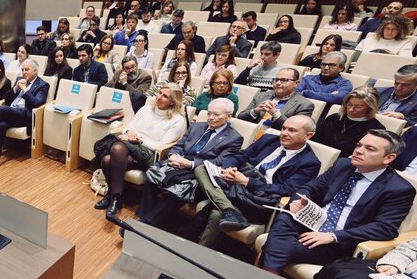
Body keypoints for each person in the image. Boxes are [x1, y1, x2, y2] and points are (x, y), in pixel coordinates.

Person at [258, 129, 415, 274]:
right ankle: (267, 278)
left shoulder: (398, 189)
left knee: (274, 245)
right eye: (359, 145)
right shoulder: (343, 165)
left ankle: (265, 276)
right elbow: (308, 188)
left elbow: (384, 228)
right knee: (285, 217)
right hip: (312, 221)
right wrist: (299, 201)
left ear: (389, 158)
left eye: (370, 149)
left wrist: (333, 236)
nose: (359, 151)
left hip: (339, 241)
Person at [192, 115, 320, 247]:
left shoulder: (310, 163)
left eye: (291, 130)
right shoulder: (268, 139)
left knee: (216, 214)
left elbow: (285, 189)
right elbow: (240, 156)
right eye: (283, 128)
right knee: (201, 168)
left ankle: (198, 252)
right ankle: (229, 209)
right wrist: (228, 168)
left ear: (308, 135)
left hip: (259, 199)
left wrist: (247, 182)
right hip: (235, 184)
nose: (284, 133)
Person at [135, 99, 243, 227]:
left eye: (216, 114)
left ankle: (144, 225)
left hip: (200, 173)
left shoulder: (234, 138)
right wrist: (173, 155)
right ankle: (143, 216)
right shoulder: (197, 126)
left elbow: (219, 162)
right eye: (209, 113)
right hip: (178, 163)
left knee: (177, 193)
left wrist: (190, 164)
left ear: (228, 116)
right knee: (153, 175)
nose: (211, 118)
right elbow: (179, 145)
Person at [94, 84, 187, 216]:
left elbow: (161, 146)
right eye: (159, 93)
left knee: (114, 152)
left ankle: (112, 196)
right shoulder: (146, 109)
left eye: (164, 96)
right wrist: (131, 133)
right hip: (130, 146)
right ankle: (115, 197)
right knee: (108, 158)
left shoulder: (178, 120)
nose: (159, 97)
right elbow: (129, 127)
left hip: (150, 154)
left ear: (173, 101)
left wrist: (138, 139)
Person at [313, 86, 385, 157]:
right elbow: (313, 142)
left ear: (370, 108)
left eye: (359, 107)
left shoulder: (376, 129)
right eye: (349, 104)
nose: (351, 109)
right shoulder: (333, 118)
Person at [237, 68, 314, 129]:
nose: (278, 83)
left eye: (284, 80)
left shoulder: (304, 105)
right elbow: (240, 117)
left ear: (296, 83)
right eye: (276, 79)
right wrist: (256, 111)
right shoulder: (262, 95)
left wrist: (275, 113)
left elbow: (296, 130)